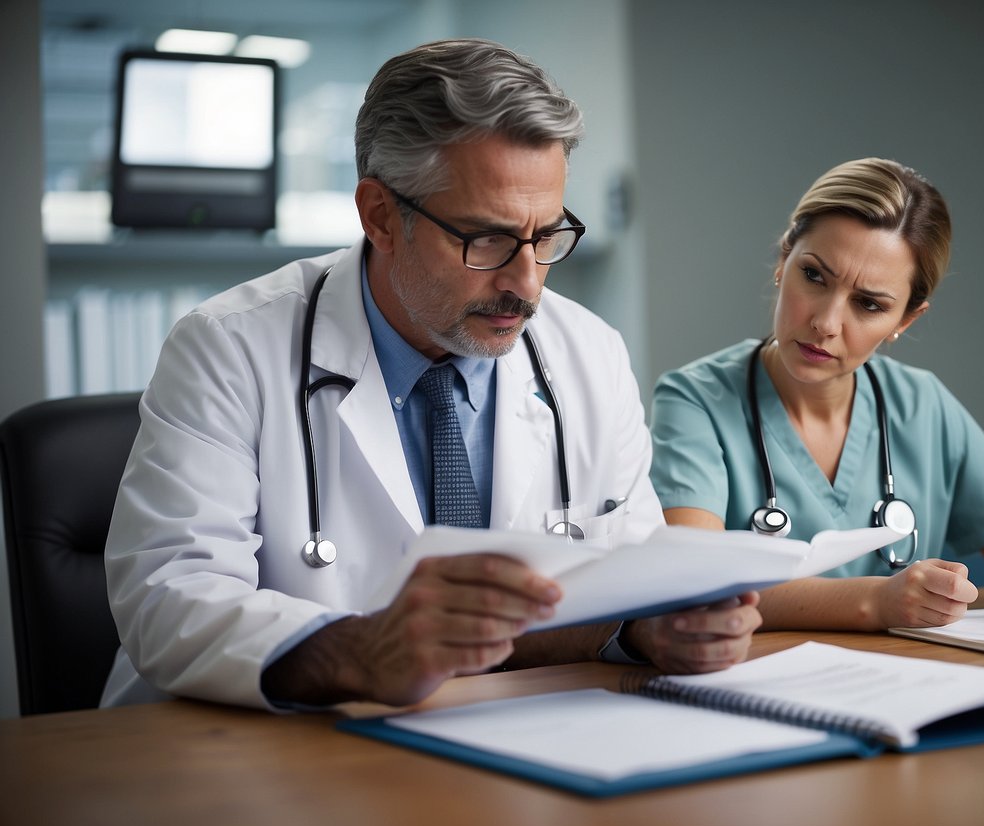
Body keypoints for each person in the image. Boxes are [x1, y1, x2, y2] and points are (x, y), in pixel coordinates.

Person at [102, 38, 760, 712]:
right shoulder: (227, 347)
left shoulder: (587, 352)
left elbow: (632, 568)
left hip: (511, 739)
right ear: (381, 217)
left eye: (546, 236)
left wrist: (650, 625)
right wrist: (360, 651)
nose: (526, 284)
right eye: (488, 239)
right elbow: (168, 597)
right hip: (257, 756)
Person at [649, 157, 984, 631]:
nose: (826, 323)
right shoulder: (695, 400)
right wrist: (875, 602)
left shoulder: (924, 407)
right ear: (783, 260)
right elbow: (697, 583)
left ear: (905, 321)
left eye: (869, 304)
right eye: (814, 276)